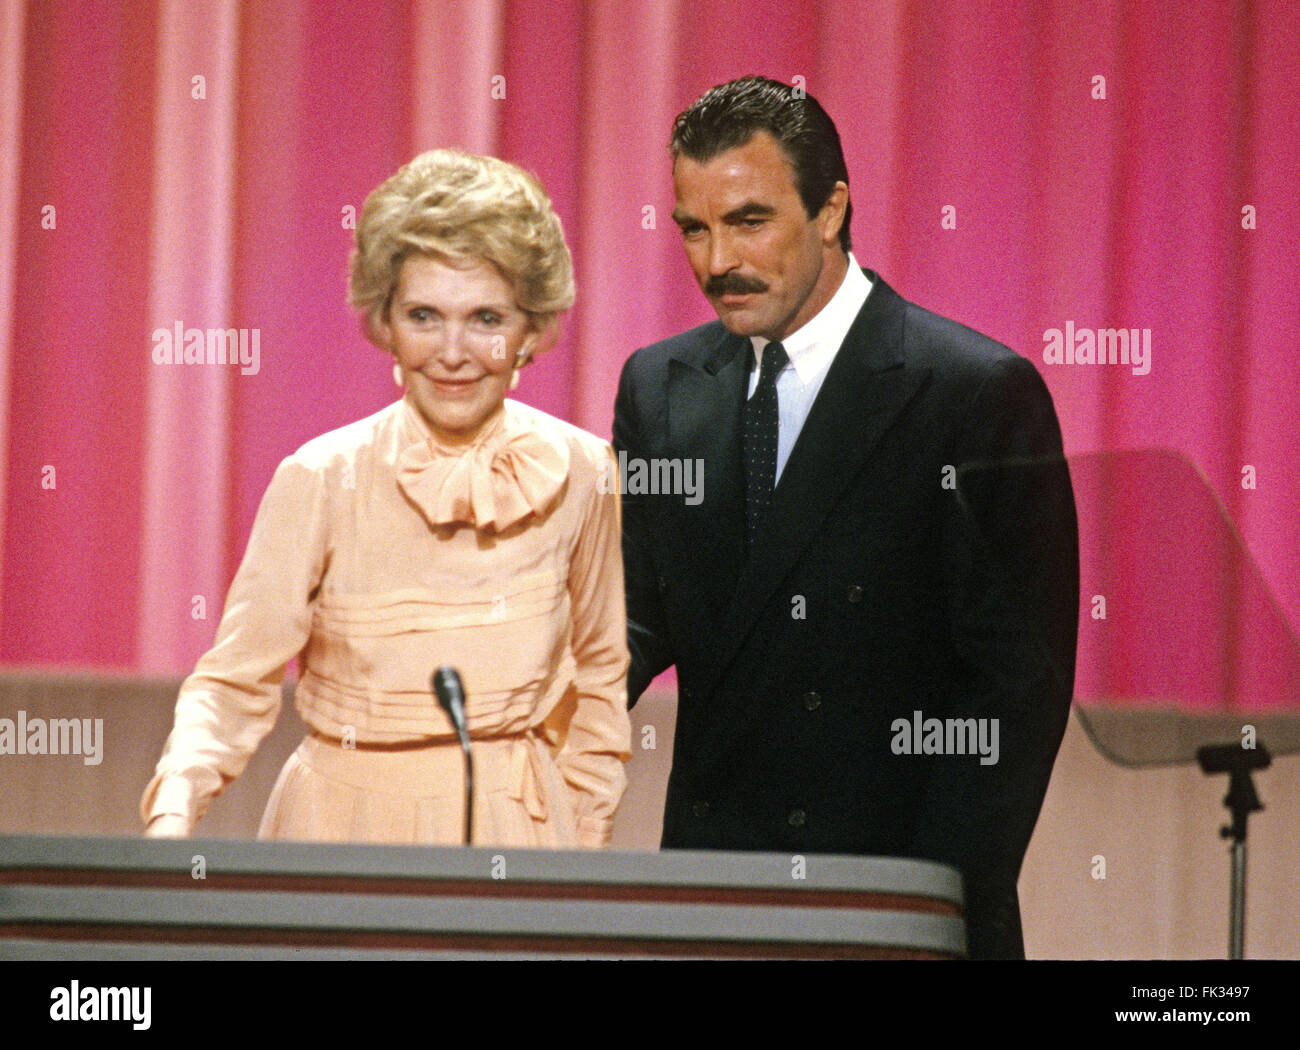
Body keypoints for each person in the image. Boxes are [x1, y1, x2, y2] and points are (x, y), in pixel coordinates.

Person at [613, 76, 1079, 958]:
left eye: (749, 221)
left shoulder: (976, 393)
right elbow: (636, 621)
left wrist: (921, 913)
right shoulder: (658, 387)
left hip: (893, 903)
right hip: (711, 903)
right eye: (695, 228)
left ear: (830, 210)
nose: (717, 261)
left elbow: (1014, 697)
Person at [143, 149, 631, 849]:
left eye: (487, 318)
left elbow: (601, 679)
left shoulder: (583, 473)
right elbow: (233, 681)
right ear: (386, 326)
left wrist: (581, 842)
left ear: (531, 330)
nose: (453, 351)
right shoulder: (322, 476)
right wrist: (173, 812)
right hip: (339, 829)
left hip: (519, 836)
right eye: (425, 315)